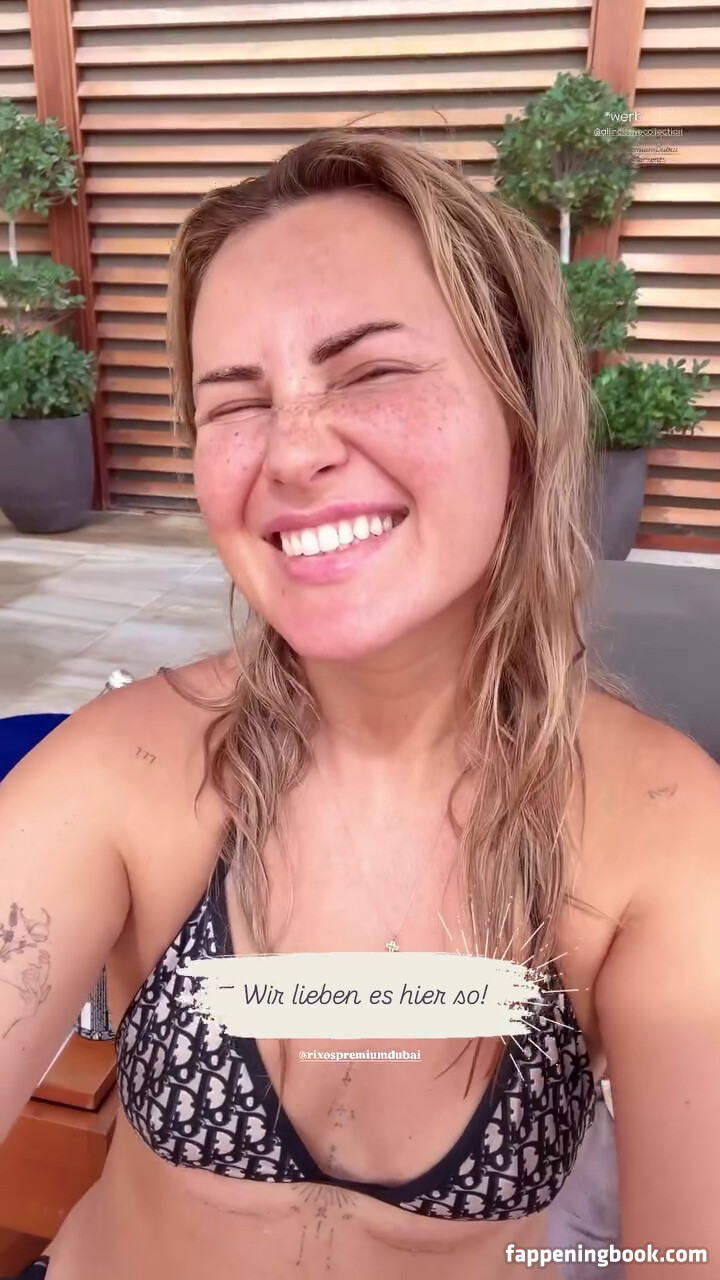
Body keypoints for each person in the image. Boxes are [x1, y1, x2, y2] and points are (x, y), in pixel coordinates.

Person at [1, 130, 718, 1280]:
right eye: (237, 402)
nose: (291, 452)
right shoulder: (128, 769)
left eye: (372, 372)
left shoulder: (660, 824)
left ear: (522, 411)